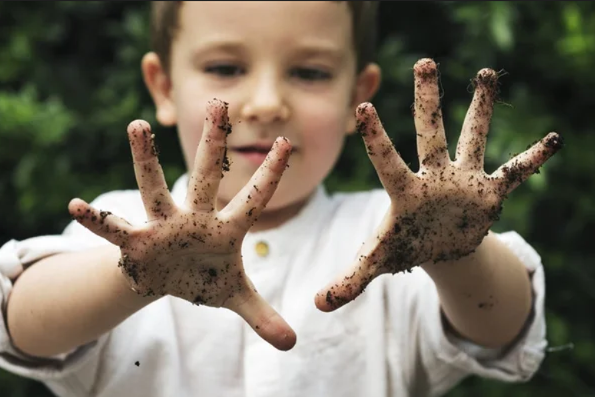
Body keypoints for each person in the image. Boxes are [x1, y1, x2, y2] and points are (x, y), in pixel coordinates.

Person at [0, 2, 563, 397]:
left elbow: (503, 330)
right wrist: (135, 273)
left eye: (309, 72)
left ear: (357, 97)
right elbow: (19, 323)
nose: (267, 102)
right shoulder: (123, 228)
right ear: (163, 87)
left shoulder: (385, 231)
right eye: (225, 67)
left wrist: (452, 249)